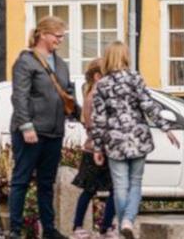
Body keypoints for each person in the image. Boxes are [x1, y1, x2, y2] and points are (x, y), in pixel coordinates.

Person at [90, 43, 178, 239]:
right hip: (138, 137)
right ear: (125, 57)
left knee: (120, 186)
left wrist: (97, 146)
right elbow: (148, 105)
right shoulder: (135, 78)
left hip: (114, 141)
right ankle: (128, 221)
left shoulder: (102, 85)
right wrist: (166, 128)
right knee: (135, 183)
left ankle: (123, 227)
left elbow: (99, 118)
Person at [10, 16, 77, 239]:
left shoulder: (62, 65)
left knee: (46, 183)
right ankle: (15, 229)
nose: (60, 40)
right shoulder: (26, 61)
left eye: (62, 36)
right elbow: (19, 97)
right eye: (57, 36)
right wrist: (26, 126)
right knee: (21, 180)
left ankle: (48, 229)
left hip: (54, 131)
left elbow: (67, 93)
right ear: (43, 35)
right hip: (32, 131)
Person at [70, 59, 117, 238]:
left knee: (113, 188)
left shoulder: (100, 94)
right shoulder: (93, 96)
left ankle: (105, 226)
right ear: (98, 76)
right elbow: (92, 125)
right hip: (94, 150)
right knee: (90, 189)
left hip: (105, 149)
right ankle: (78, 226)